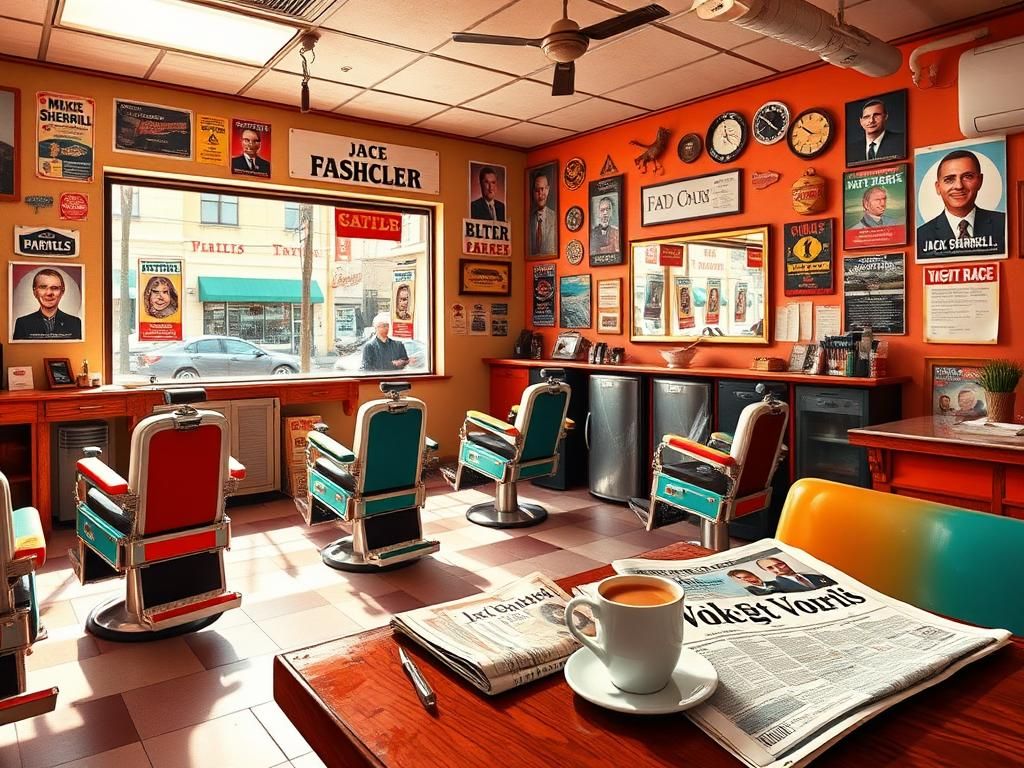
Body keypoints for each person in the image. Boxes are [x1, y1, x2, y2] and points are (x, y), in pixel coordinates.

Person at [916, 149, 1006, 254]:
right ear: (938, 187)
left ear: (980, 181)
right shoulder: (920, 236)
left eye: (968, 177)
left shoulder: (1004, 224)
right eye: (949, 179)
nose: (959, 186)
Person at [12, 268, 82, 341]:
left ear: (62, 291)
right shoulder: (22, 324)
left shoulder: (75, 323)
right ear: (35, 292)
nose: (49, 293)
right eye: (43, 287)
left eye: (55, 288)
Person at [856, 98, 903, 163]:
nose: (871, 121)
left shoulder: (900, 141)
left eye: (876, 115)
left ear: (885, 117)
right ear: (861, 121)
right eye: (866, 117)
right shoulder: (851, 149)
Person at [755, 557, 836, 592]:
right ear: (766, 571)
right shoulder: (775, 587)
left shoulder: (816, 576)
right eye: (770, 568)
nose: (778, 569)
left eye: (779, 564)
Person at [529, 171, 556, 256]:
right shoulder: (528, 221)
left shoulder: (555, 218)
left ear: (547, 190)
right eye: (537, 190)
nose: (540, 194)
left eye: (542, 189)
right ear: (533, 193)